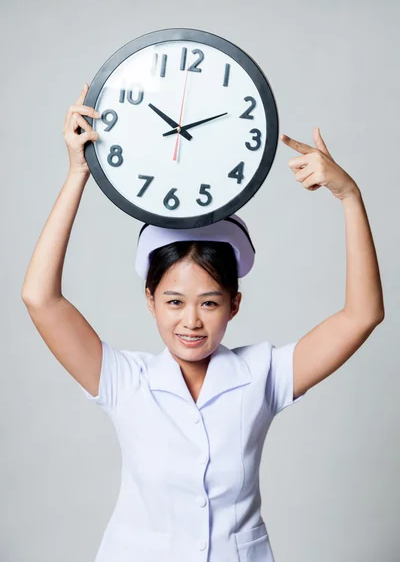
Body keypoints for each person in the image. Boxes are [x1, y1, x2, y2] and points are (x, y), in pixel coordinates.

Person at [21, 84, 385, 562]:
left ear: (235, 304)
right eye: (174, 301)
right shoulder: (124, 381)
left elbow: (363, 315)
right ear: (150, 300)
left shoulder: (262, 376)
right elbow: (40, 297)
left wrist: (349, 196)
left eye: (209, 304)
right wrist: (77, 174)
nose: (190, 321)